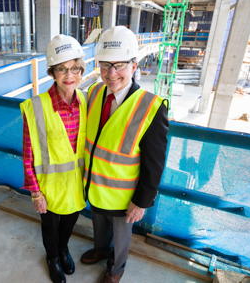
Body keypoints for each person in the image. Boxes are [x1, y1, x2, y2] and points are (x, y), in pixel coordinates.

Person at [80, 26, 169, 283]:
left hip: (123, 196)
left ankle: (116, 269)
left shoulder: (150, 107)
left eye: (119, 65)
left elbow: (155, 164)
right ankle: (100, 249)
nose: (111, 73)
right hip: (95, 186)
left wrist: (141, 201)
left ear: (134, 64)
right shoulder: (95, 92)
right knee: (98, 227)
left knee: (121, 237)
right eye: (105, 65)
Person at [20, 35, 87, 283]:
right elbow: (28, 155)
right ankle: (52, 258)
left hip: (77, 184)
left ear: (81, 70)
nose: (69, 75)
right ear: (52, 72)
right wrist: (36, 194)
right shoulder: (36, 107)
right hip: (48, 188)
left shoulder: (87, 101)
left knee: (69, 225)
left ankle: (63, 249)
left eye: (75, 68)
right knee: (50, 228)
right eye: (62, 69)